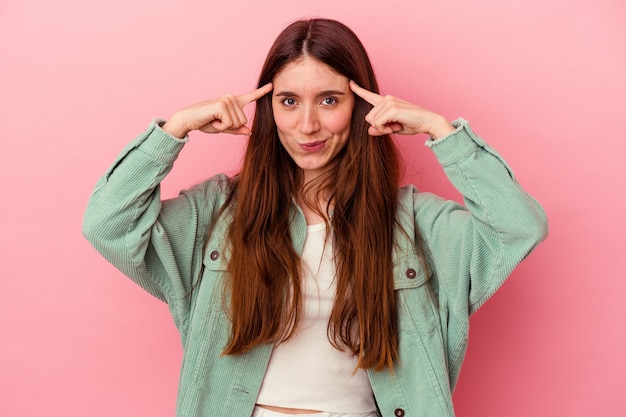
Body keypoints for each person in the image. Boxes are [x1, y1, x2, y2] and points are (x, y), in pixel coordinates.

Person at [83, 18, 548, 417]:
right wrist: (174, 129)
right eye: (289, 102)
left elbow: (518, 228)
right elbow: (109, 224)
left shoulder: (412, 223)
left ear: (360, 106)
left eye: (329, 100)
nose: (307, 125)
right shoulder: (220, 212)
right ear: (269, 110)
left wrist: (442, 132)